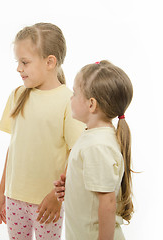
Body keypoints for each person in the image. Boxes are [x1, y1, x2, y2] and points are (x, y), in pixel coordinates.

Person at [0, 23, 85, 240]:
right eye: (18, 62)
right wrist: (1, 193)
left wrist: (57, 197)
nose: (19, 68)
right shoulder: (17, 95)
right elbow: (13, 148)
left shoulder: (68, 100)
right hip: (14, 198)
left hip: (47, 202)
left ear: (50, 62)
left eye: (24, 62)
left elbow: (76, 153)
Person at [54, 60, 134, 239]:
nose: (71, 98)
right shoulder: (93, 136)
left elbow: (107, 203)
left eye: (75, 93)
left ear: (91, 104)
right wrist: (73, 187)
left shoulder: (97, 146)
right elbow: (96, 193)